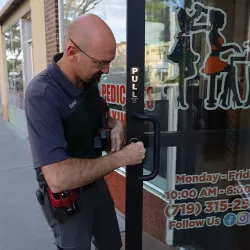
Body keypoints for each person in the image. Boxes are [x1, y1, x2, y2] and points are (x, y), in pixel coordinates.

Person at [25, 14, 146, 250]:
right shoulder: (42, 94)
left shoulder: (88, 79)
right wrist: (122, 158)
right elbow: (58, 178)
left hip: (95, 185)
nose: (107, 70)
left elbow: (98, 115)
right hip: (67, 199)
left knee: (111, 243)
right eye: (101, 63)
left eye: (109, 62)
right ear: (72, 53)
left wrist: (115, 123)